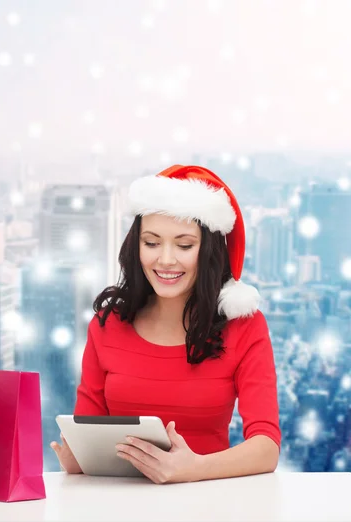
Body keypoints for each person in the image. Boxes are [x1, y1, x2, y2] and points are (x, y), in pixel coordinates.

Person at [51, 165, 280, 484]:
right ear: (136, 245)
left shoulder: (244, 326)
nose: (166, 260)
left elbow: (266, 447)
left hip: (207, 501)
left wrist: (192, 469)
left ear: (208, 251)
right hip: (116, 503)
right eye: (152, 242)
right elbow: (88, 429)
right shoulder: (107, 325)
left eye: (184, 245)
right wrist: (78, 458)